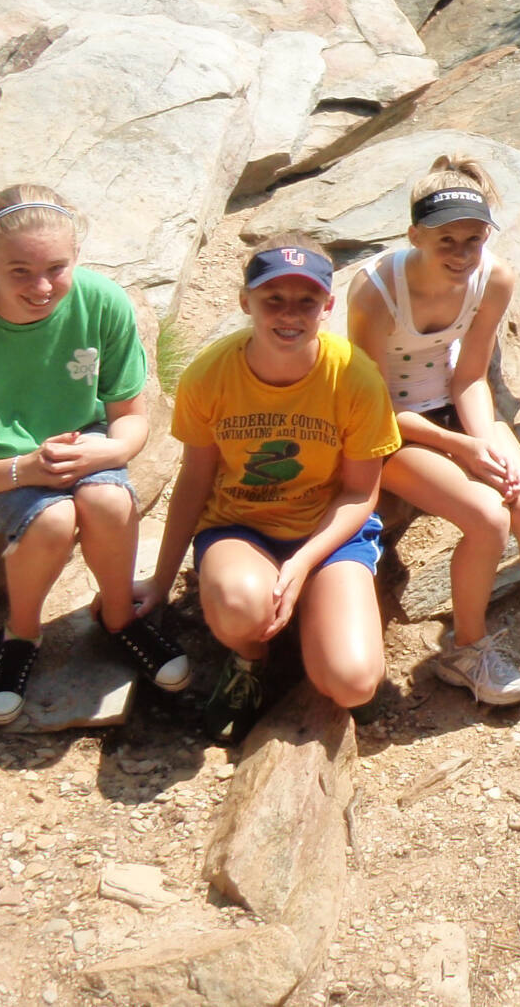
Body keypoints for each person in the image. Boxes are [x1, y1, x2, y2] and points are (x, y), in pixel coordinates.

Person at [347, 156, 520, 726]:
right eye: (445, 239)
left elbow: (470, 375)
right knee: (488, 518)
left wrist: (483, 444)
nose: (461, 253)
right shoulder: (375, 289)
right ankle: (465, 650)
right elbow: (368, 404)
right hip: (384, 425)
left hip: (454, 406)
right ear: (414, 236)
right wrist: (462, 451)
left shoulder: (492, 278)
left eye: (473, 239)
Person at [0, 185, 186, 726]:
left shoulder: (103, 302)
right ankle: (21, 633)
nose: (41, 287)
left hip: (82, 444)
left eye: (56, 269)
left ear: (76, 258)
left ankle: (117, 616)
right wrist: (26, 469)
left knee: (109, 502)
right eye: (19, 271)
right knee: (53, 520)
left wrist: (112, 450)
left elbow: (130, 417)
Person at [137, 238, 400, 743]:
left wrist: (301, 566)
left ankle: (315, 620)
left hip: (328, 532)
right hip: (242, 526)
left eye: (305, 301)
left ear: (327, 305)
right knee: (241, 604)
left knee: (352, 683)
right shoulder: (210, 376)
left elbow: (360, 494)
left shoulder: (355, 378)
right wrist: (161, 579)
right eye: (272, 298)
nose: (288, 314)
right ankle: (251, 661)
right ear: (245, 302)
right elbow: (194, 481)